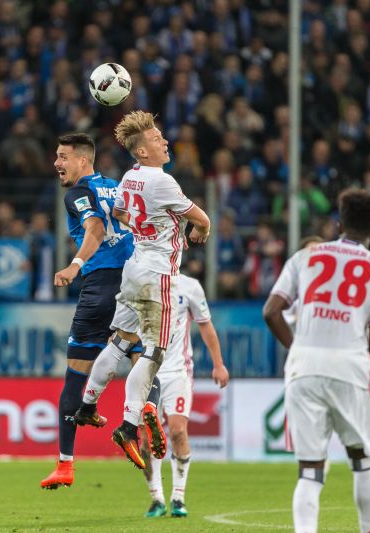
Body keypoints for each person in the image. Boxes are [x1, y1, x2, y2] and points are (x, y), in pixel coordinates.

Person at [262, 189, 370, 533]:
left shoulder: (305, 257)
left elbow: (271, 311)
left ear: (339, 223)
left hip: (303, 368)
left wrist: (298, 344)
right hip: (349, 370)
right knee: (362, 460)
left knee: (311, 470)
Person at [75, 110, 211, 470]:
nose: (164, 141)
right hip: (158, 275)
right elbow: (203, 219)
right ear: (142, 152)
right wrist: (196, 232)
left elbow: (119, 213)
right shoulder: (162, 181)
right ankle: (129, 425)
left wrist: (148, 224)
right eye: (155, 139)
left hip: (133, 268)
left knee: (119, 340)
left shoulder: (130, 177)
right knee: (153, 352)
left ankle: (88, 405)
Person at [39, 133, 139, 490]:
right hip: (136, 285)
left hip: (100, 287)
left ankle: (65, 464)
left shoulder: (76, 194)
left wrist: (75, 265)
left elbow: (95, 228)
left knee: (75, 376)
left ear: (83, 161)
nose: (56, 163)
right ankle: (139, 422)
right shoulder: (118, 187)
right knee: (144, 361)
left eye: (62, 156)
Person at [142, 273, 230, 519]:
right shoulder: (140, 280)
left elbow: (206, 325)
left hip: (179, 371)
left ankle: (178, 497)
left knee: (178, 431)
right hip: (146, 372)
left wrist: (218, 364)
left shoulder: (190, 286)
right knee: (147, 438)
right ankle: (156, 498)